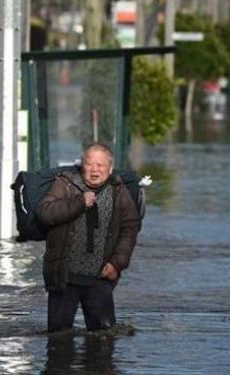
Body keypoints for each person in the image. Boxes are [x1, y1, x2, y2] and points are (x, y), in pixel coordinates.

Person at [35, 142, 141, 333]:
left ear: (109, 169)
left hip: (100, 277)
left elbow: (130, 228)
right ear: (82, 164)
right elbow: (45, 212)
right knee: (59, 339)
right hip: (64, 276)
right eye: (89, 164)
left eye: (100, 165)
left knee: (104, 335)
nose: (94, 170)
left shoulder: (118, 190)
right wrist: (78, 203)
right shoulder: (65, 183)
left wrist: (117, 263)